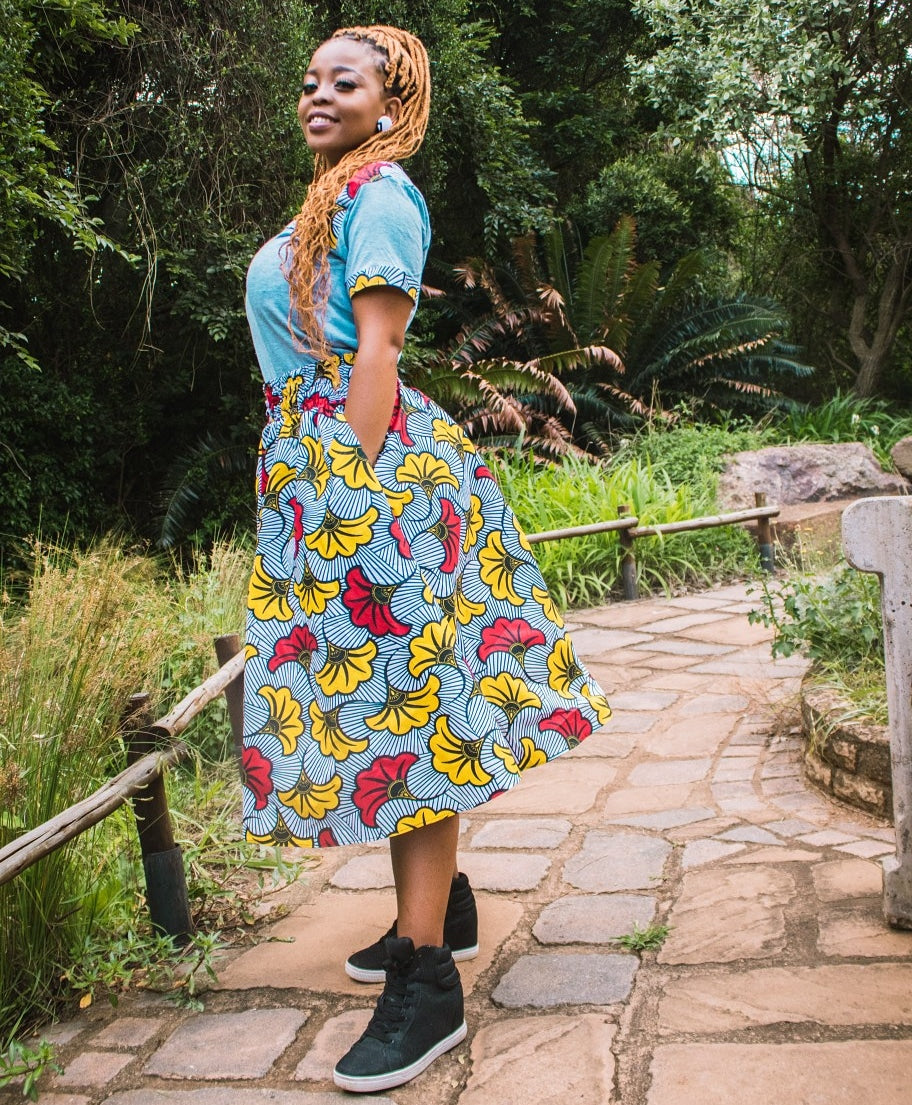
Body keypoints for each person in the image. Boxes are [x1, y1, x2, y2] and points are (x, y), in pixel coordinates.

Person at [241, 24, 611, 1093]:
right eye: (309, 79)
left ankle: (426, 979)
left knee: (406, 717)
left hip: (366, 469)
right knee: (388, 706)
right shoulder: (329, 200)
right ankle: (438, 908)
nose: (317, 93)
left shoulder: (382, 194)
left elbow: (380, 350)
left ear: (391, 102)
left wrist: (350, 489)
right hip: (320, 457)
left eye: (344, 81)